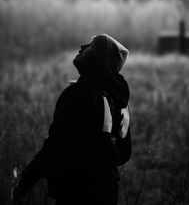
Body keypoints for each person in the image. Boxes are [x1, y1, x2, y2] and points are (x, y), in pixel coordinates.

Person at [13, 34, 132, 205]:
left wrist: (25, 182)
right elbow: (124, 153)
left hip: (77, 191)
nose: (82, 46)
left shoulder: (81, 92)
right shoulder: (118, 97)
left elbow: (56, 146)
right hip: (108, 190)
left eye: (92, 45)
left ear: (101, 60)